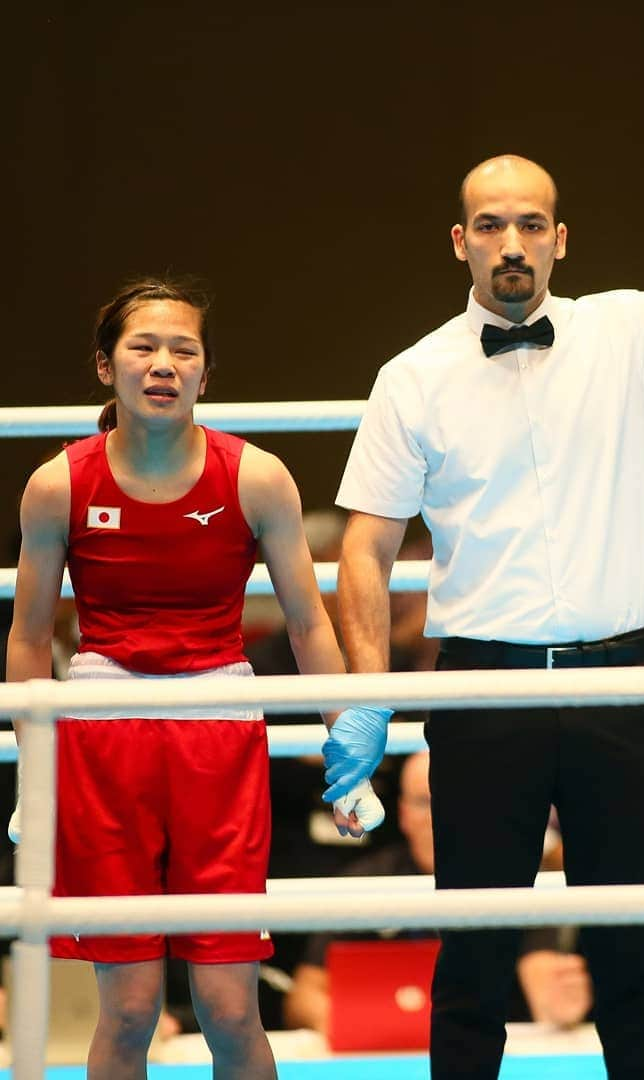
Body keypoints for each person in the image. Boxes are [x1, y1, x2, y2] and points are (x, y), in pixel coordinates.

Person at [326, 121, 644, 1080]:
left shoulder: (629, 331)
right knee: (473, 960)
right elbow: (366, 543)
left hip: (619, 682)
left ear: (562, 238)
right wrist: (368, 692)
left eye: (530, 224)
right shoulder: (412, 377)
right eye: (490, 225)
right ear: (459, 241)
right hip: (480, 692)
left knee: (634, 956)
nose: (511, 243)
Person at [4, 279, 375, 1080]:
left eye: (184, 350)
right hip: (105, 733)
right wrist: (34, 774)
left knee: (232, 1009)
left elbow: (309, 625)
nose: (164, 363)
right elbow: (31, 635)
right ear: (105, 367)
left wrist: (348, 743)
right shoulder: (59, 485)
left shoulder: (258, 479)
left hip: (219, 723)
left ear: (207, 374)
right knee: (131, 1010)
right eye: (144, 347)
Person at [284, 751, 593, 1035]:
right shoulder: (366, 884)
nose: (441, 817)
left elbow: (541, 974)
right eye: (426, 802)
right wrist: (350, 1025)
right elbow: (304, 996)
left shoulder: (515, 880)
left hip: (490, 1055)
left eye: (457, 801)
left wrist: (558, 1001)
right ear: (404, 814)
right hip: (391, 1060)